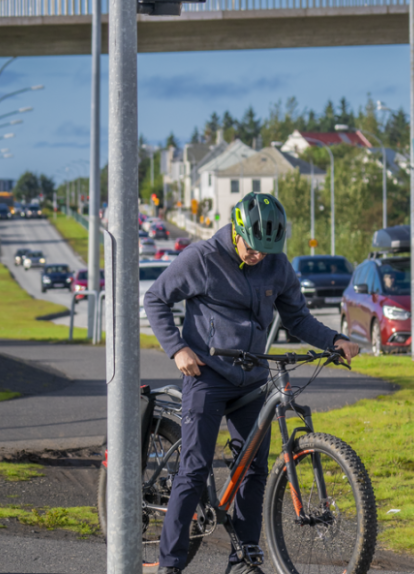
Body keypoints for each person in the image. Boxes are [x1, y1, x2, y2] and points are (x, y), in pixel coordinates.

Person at [145, 192, 360, 574]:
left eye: (266, 250)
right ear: (237, 231)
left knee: (255, 469)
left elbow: (297, 319)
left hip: (251, 379)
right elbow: (156, 298)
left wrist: (334, 341)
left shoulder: (277, 265)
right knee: (194, 467)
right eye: (253, 248)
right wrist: (177, 348)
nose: (257, 256)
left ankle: (244, 558)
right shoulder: (203, 258)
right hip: (206, 375)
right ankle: (170, 565)